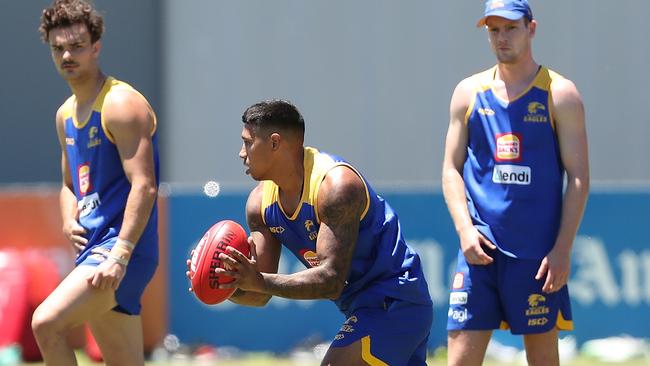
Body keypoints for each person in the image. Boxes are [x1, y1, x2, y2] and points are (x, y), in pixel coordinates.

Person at [194, 100, 432, 365]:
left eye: (248, 142)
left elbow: (330, 280)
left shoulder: (335, 186)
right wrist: (220, 280)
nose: (241, 153)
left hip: (395, 301)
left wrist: (257, 280)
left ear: (274, 143)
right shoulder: (259, 204)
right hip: (365, 309)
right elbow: (259, 293)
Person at [441, 0, 589, 365]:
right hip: (478, 250)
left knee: (541, 358)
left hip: (536, 256)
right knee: (459, 356)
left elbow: (580, 178)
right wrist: (464, 230)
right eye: (494, 30)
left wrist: (562, 249)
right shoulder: (468, 92)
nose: (501, 37)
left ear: (531, 29)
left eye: (510, 28)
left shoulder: (559, 93)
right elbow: (450, 169)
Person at [32, 0, 160, 364]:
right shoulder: (65, 115)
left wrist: (120, 254)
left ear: (96, 47)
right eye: (58, 48)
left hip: (121, 251)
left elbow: (145, 186)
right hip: (94, 251)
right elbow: (70, 186)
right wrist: (68, 219)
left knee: (46, 323)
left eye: (76, 46)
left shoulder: (120, 104)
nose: (67, 55)